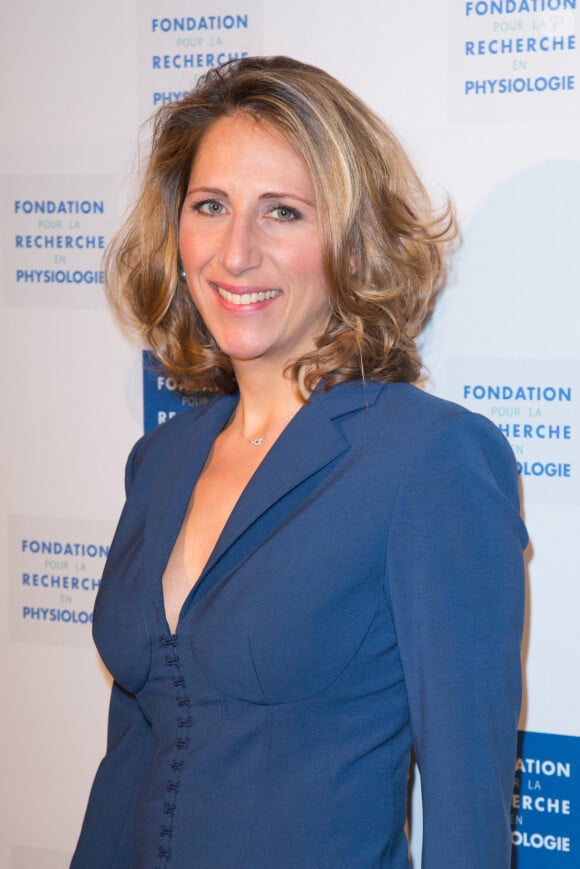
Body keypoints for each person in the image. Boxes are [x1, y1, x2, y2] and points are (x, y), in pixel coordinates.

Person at [72, 56, 527, 868]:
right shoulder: (162, 460)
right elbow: (130, 761)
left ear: (350, 241)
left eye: (282, 212)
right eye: (210, 206)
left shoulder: (428, 461)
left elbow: (468, 807)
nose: (235, 252)